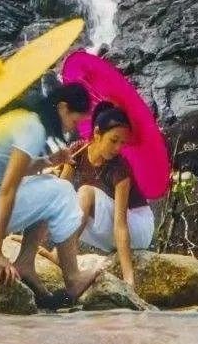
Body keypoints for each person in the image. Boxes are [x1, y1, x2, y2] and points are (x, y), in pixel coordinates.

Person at [0, 76, 103, 302]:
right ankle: (73, 279)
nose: (72, 129)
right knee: (61, 190)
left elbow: (9, 171)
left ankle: (25, 263)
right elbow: (8, 188)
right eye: (74, 122)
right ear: (63, 108)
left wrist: (49, 161)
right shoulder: (33, 128)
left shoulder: (24, 119)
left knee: (48, 185)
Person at [58, 102, 155, 290]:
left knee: (85, 192)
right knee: (67, 197)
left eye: (122, 142)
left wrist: (129, 279)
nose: (118, 148)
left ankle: (64, 255)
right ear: (97, 134)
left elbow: (121, 224)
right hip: (107, 227)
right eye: (113, 140)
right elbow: (58, 196)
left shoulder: (120, 169)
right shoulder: (77, 153)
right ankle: (60, 253)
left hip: (137, 226)